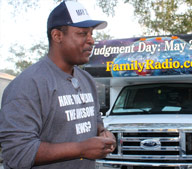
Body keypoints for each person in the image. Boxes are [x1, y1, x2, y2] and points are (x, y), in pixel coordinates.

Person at [0, 1, 116, 169]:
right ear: (57, 36)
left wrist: (103, 133)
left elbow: (95, 120)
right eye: (82, 33)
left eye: (91, 34)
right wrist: (81, 149)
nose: (91, 40)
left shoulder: (87, 79)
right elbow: (18, 152)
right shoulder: (28, 84)